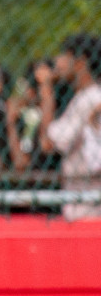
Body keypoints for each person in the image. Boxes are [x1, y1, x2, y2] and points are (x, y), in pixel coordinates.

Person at [36, 33, 101, 219]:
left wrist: (46, 90)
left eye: (64, 56)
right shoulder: (88, 98)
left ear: (80, 63)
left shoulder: (88, 100)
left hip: (87, 207)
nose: (57, 61)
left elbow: (48, 144)